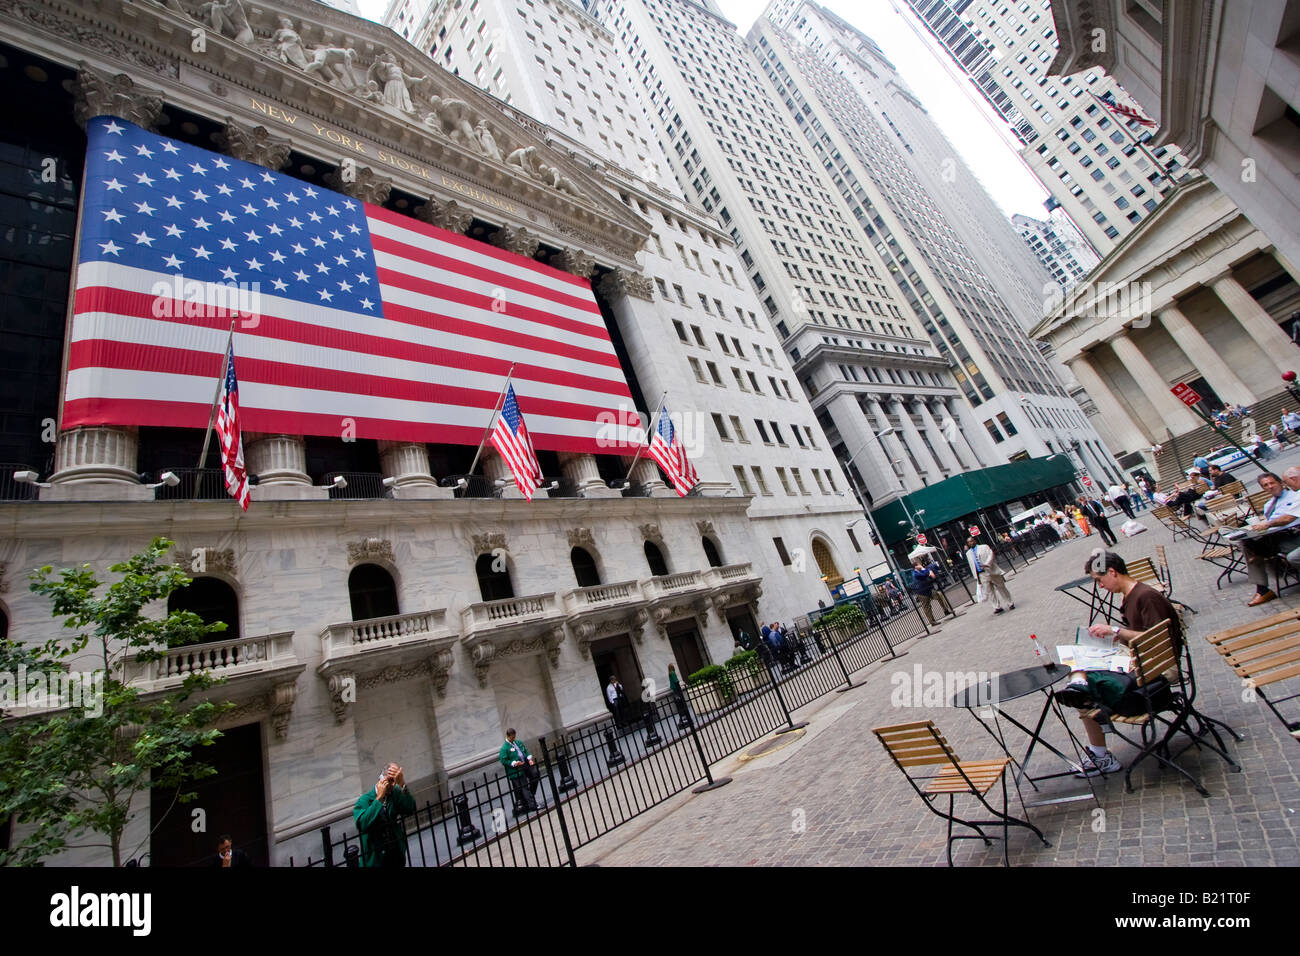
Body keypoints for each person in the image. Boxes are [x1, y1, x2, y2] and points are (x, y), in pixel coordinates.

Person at [1055, 552, 1185, 777]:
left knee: (1086, 687)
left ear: (1113, 572)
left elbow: (1156, 639)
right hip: (1146, 660)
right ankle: (1085, 694)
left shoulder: (1145, 596)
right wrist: (1114, 637)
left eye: (1099, 579)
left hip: (1158, 667)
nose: (1100, 585)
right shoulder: (1132, 595)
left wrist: (1116, 631)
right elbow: (1144, 636)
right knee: (1080, 669)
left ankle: (1100, 749)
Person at [1239, 472, 1300, 605]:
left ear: (1280, 483)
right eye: (1266, 485)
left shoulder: (1295, 496)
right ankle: (1261, 585)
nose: (1270, 486)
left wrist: (1268, 524)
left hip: (1294, 535)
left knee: (1248, 545)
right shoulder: (1269, 505)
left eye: (1272, 483)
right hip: (1277, 537)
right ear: (1263, 489)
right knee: (1244, 540)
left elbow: (1289, 518)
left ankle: (1262, 588)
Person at [353, 762, 415, 867]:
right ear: (382, 778)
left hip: (396, 854)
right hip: (376, 859)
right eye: (391, 781)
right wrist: (379, 798)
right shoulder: (365, 800)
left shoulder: (394, 793)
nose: (393, 785)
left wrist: (402, 785)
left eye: (395, 781)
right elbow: (362, 824)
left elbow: (410, 809)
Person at [498, 728, 542, 815]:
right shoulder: (504, 748)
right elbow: (503, 760)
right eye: (512, 737)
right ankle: (532, 804)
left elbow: (525, 750)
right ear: (508, 736)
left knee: (535, 774)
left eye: (514, 736)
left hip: (525, 764)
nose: (514, 738)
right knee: (524, 786)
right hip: (516, 769)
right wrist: (513, 763)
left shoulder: (518, 742)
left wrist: (529, 757)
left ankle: (530, 796)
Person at [965, 536, 1013, 613]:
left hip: (991, 570)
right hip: (981, 574)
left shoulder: (984, 547)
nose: (971, 543)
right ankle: (997, 607)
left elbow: (991, 555)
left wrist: (987, 564)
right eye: (969, 542)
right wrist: (976, 577)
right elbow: (972, 565)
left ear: (975, 540)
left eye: (971, 541)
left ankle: (1010, 603)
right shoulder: (968, 553)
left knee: (1001, 587)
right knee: (989, 591)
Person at [911, 558, 955, 627]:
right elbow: (925, 574)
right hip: (922, 592)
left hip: (929, 589)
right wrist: (923, 569)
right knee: (927, 606)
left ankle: (946, 610)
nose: (921, 565)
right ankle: (932, 621)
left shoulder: (921, 571)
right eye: (919, 565)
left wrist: (927, 571)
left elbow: (930, 574)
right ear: (916, 567)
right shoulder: (915, 573)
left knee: (939, 595)